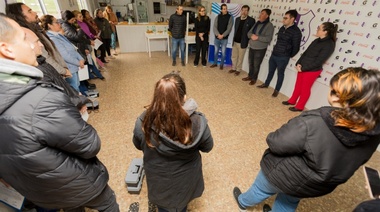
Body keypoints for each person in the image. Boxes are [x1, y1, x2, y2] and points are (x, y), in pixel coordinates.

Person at [0, 13, 119, 212]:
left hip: (39, 192)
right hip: (75, 183)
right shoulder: (41, 99)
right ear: (6, 49)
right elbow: (90, 144)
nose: (33, 46)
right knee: (108, 203)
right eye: (23, 39)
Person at [233, 67, 380, 212]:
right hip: (314, 186)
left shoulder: (314, 122)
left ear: (337, 97)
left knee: (260, 190)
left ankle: (242, 203)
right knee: (289, 201)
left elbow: (276, 142)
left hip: (283, 174)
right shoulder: (374, 133)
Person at [133, 72, 214, 212]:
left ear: (157, 98)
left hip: (160, 181)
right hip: (186, 182)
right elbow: (208, 147)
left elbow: (137, 144)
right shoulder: (198, 123)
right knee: (182, 205)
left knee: (163, 207)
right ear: (184, 97)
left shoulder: (143, 122)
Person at [283, 22, 337, 111]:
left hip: (312, 70)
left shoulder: (329, 44)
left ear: (325, 31)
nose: (317, 30)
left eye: (319, 28)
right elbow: (306, 53)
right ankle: (292, 100)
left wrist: (303, 68)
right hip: (302, 67)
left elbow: (319, 61)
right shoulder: (317, 40)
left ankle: (299, 106)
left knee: (305, 89)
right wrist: (298, 63)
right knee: (298, 86)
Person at [5, 2, 71, 77]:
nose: (35, 12)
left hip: (56, 72)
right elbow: (45, 57)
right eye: (29, 11)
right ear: (19, 16)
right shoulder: (27, 34)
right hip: (52, 74)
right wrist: (63, 71)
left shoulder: (37, 29)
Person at [257, 10, 302, 97]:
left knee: (280, 74)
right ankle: (266, 84)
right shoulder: (282, 28)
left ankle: (276, 90)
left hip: (283, 57)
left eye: (286, 18)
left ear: (292, 19)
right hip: (274, 54)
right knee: (270, 71)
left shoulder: (296, 32)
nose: (283, 20)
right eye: (283, 18)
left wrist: (288, 54)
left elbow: (296, 48)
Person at [40, 15, 85, 92]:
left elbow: (72, 48)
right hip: (69, 67)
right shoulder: (52, 38)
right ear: (49, 25)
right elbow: (65, 55)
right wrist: (78, 63)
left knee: (76, 85)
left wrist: (80, 58)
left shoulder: (57, 35)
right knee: (74, 88)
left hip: (73, 66)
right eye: (56, 22)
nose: (59, 24)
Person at [242, 9, 274, 85]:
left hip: (260, 49)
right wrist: (252, 36)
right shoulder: (257, 23)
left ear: (267, 16)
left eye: (262, 13)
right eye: (260, 13)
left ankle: (254, 78)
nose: (260, 15)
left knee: (256, 65)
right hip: (252, 47)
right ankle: (250, 76)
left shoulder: (269, 26)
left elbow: (268, 39)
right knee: (251, 63)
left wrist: (257, 37)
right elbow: (249, 33)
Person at [228, 5, 255, 76]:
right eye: (243, 10)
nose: (244, 12)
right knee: (234, 56)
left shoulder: (251, 20)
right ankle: (233, 68)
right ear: (241, 10)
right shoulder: (237, 19)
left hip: (243, 42)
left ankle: (238, 69)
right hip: (235, 41)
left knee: (240, 57)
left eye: (246, 10)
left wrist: (248, 40)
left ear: (248, 11)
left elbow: (252, 32)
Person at [210, 3, 233, 70]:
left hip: (224, 38)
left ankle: (221, 65)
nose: (225, 10)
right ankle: (215, 63)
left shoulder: (230, 17)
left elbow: (229, 28)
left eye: (226, 8)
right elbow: (214, 27)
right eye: (223, 9)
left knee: (223, 52)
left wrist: (222, 35)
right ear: (221, 10)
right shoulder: (218, 17)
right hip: (217, 38)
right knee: (216, 51)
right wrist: (218, 35)